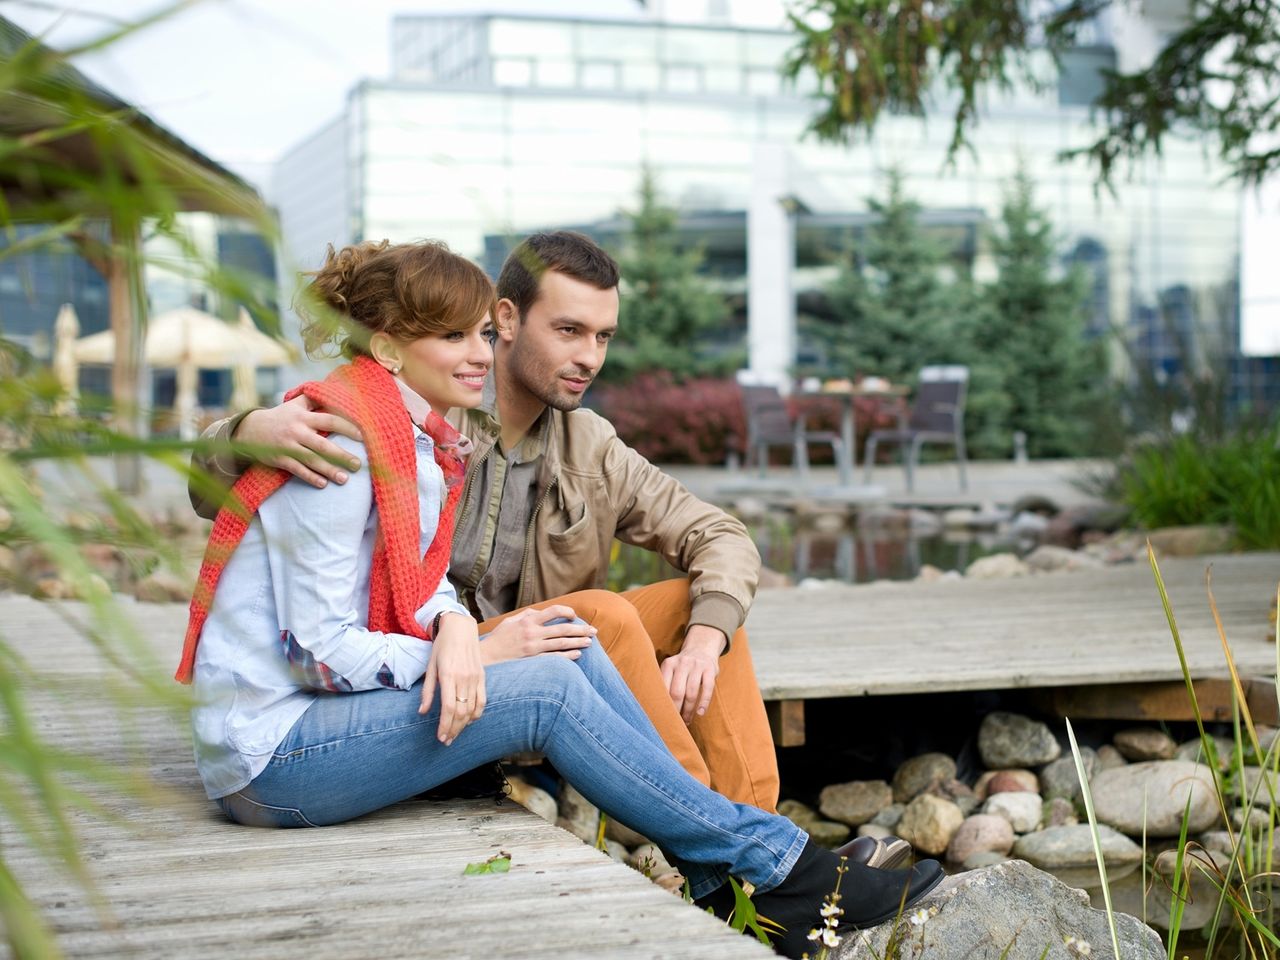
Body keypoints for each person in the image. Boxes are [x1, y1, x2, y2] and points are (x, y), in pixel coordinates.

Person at [180, 239, 942, 959]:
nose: (589, 356)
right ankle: (754, 859)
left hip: (430, 665)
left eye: (604, 336)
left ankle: (748, 856)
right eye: (570, 329)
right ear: (507, 321)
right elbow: (302, 615)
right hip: (343, 710)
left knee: (684, 609)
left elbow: (714, 536)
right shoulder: (380, 428)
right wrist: (247, 426)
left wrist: (706, 633)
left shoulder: (528, 440)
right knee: (586, 625)